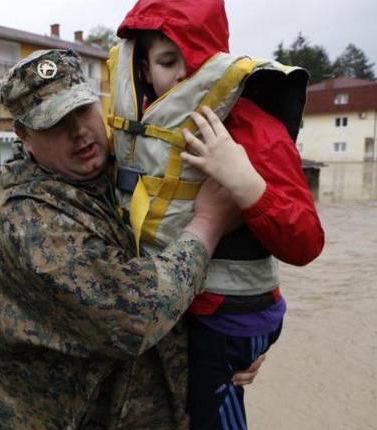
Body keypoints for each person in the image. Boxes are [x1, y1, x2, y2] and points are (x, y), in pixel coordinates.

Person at [0, 49, 262, 430]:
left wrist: (238, 338)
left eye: (82, 110)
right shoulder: (31, 223)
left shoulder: (127, 171)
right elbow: (139, 316)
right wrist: (209, 225)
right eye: (55, 123)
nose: (79, 131)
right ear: (25, 136)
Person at [111, 1, 325, 428]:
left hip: (229, 318)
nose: (183, 76)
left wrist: (245, 182)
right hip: (178, 313)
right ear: (144, 70)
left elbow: (306, 242)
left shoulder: (254, 130)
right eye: (168, 62)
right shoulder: (137, 130)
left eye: (197, 62)